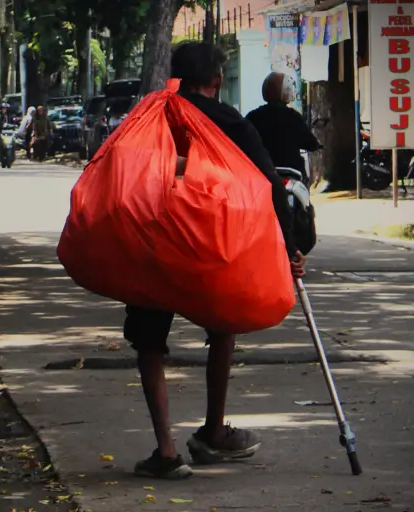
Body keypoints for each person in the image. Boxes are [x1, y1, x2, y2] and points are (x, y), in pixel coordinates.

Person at [125, 42, 306, 480]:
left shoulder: (153, 115)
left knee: (149, 343)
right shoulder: (231, 123)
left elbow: (125, 168)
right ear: (217, 80)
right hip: (213, 247)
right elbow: (271, 186)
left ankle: (167, 451)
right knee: (224, 325)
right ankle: (212, 432)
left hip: (157, 244)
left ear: (177, 76)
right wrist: (290, 246)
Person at [245, 72, 321, 183]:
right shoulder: (294, 117)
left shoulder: (252, 117)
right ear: (287, 90)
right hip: (293, 175)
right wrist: (317, 145)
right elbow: (310, 143)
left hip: (263, 175)